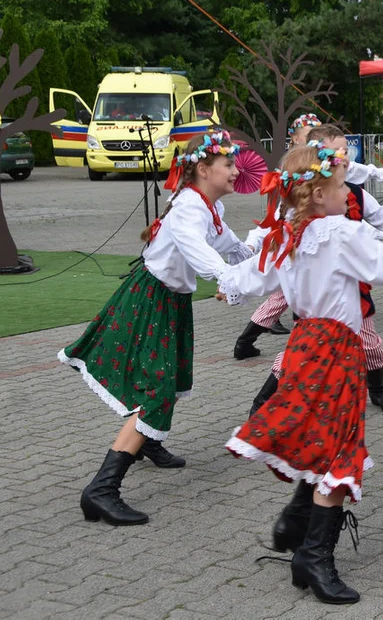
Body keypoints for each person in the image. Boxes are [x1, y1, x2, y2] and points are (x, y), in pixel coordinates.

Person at [219, 143, 383, 605]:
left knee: (322, 439)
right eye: (341, 186)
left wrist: (229, 284)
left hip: (303, 346)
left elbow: (254, 277)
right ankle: (316, 558)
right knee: (341, 449)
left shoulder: (290, 232)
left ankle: (298, 527)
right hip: (336, 351)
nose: (349, 194)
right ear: (319, 194)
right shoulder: (339, 231)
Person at [59, 132, 250, 525]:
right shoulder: (188, 211)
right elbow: (203, 257)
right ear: (203, 169)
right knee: (157, 392)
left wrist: (275, 257)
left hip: (170, 302)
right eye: (228, 165)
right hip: (149, 301)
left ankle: (147, 441)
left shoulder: (210, 209)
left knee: (173, 379)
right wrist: (230, 280)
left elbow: (236, 250)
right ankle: (101, 490)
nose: (236, 171)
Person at [234, 115, 383, 358]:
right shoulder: (295, 169)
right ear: (296, 139)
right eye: (308, 135)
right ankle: (248, 343)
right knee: (284, 296)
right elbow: (277, 216)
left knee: (284, 296)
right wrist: (253, 245)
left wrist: (382, 177)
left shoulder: (327, 170)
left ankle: (247, 341)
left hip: (321, 251)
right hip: (300, 247)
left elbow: (354, 206)